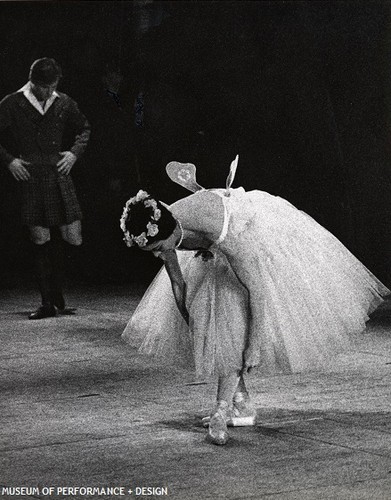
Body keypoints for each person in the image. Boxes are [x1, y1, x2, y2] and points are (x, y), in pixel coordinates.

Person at [120, 157, 389, 445]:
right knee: (215, 324)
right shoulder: (167, 230)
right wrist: (192, 323)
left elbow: (255, 286)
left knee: (233, 318)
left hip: (247, 234)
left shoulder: (209, 222)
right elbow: (177, 281)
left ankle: (222, 410)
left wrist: (254, 345)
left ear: (170, 232)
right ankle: (241, 402)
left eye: (159, 248)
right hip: (213, 245)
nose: (159, 255)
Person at [0, 58, 90, 319]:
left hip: (57, 172)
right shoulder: (13, 102)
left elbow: (84, 128)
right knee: (40, 238)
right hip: (31, 174)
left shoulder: (63, 102)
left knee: (72, 236)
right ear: (33, 82)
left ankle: (56, 291)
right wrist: (10, 161)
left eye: (54, 85)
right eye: (45, 87)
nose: (50, 91)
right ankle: (46, 302)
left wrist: (73, 154)